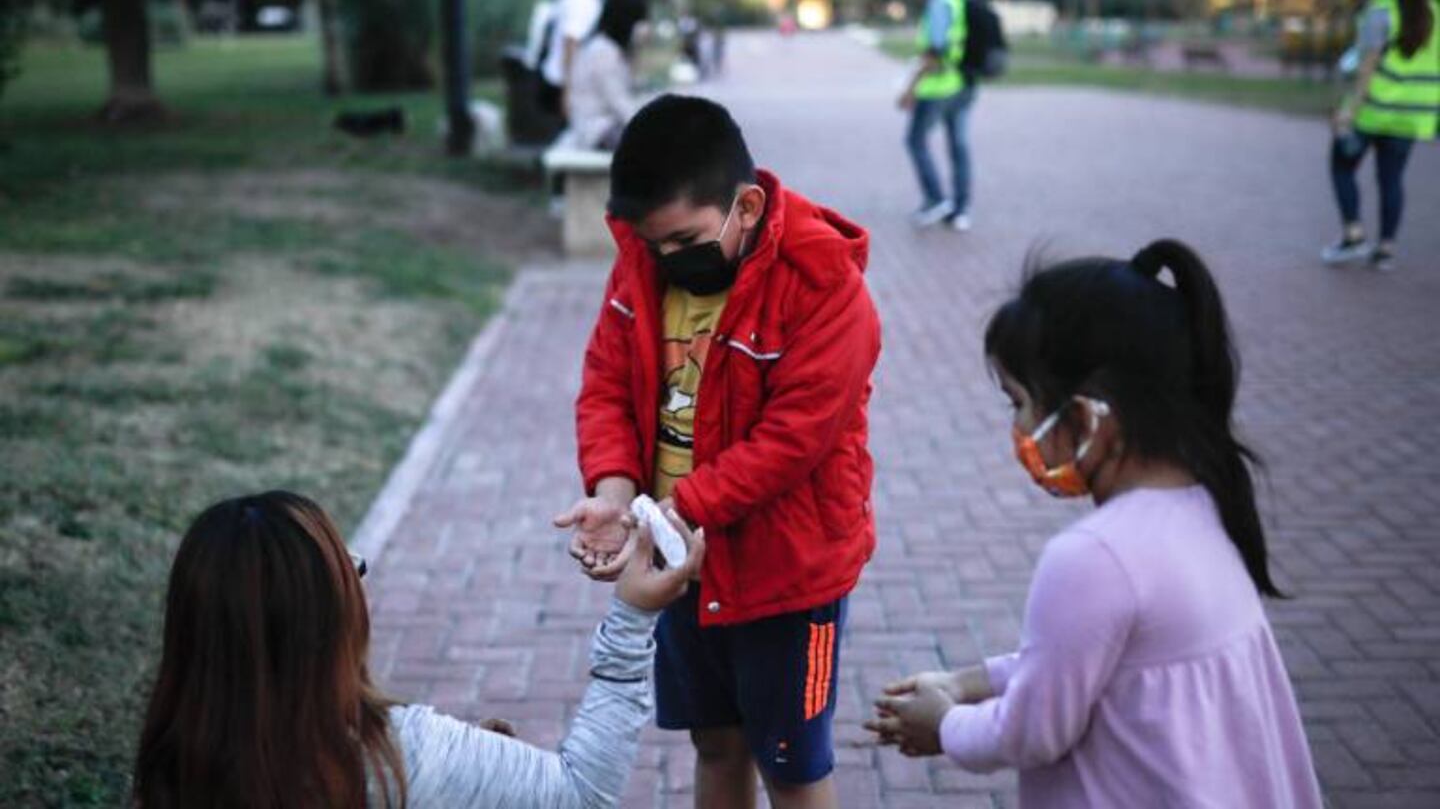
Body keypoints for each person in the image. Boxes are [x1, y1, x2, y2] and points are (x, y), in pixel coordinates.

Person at [865, 241, 1324, 807]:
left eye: (1019, 402)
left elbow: (1033, 731)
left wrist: (945, 724)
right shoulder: (1206, 505)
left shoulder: (1094, 556)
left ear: (1085, 416)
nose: (1019, 426)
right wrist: (966, 683)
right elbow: (1090, 663)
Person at [554, 95, 881, 809]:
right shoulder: (640, 268)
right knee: (716, 744)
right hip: (686, 561)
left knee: (793, 765)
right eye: (651, 244)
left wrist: (673, 512)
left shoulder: (826, 286)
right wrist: (613, 493)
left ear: (749, 205)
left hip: (790, 571)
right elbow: (606, 385)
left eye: (684, 241)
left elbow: (793, 441)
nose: (667, 260)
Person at [132, 490, 704, 807]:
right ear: (325, 620)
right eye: (349, 571)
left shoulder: (174, 763)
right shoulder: (394, 758)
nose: (360, 579)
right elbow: (581, 795)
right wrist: (632, 620)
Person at [1323, 0, 1438, 272]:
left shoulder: (1381, 12)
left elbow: (1367, 67)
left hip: (1372, 110)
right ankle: (1386, 250)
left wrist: (1348, 112)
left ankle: (1353, 234)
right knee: (1392, 179)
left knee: (1341, 166)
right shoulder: (1435, 10)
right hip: (1412, 114)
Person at [899, 0, 975, 231]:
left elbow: (935, 51)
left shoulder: (940, 4)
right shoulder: (958, 3)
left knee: (915, 141)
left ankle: (936, 199)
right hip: (962, 84)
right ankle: (960, 210)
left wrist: (910, 88)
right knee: (959, 147)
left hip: (937, 88)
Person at [558, 0, 648, 151]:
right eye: (642, 22)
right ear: (628, 20)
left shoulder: (609, 49)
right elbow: (621, 105)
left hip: (605, 125)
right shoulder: (603, 53)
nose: (646, 29)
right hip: (596, 130)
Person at [539, 0, 605, 119]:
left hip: (559, 79)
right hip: (562, 82)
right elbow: (570, 43)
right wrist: (567, 93)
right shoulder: (583, 3)